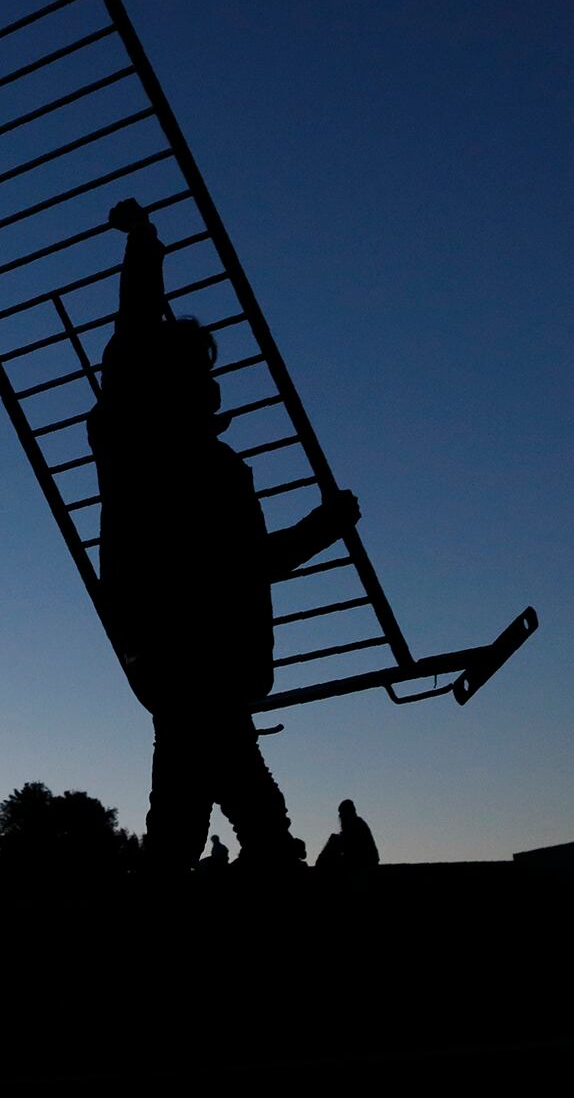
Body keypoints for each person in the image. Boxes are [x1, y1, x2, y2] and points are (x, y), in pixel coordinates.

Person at [90, 198, 361, 874]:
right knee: (233, 808)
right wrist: (324, 529)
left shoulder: (142, 448)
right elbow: (246, 565)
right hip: (196, 655)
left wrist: (145, 245)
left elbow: (134, 329)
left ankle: (257, 864)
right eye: (198, 377)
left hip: (174, 655)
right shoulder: (170, 456)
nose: (210, 386)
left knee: (200, 808)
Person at [316, 799, 380, 870]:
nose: (340, 816)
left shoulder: (357, 825)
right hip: (358, 860)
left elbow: (350, 847)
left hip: (362, 862)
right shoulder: (356, 825)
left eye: (342, 813)